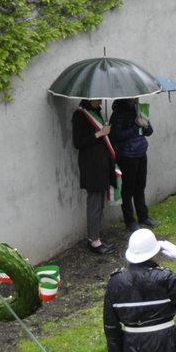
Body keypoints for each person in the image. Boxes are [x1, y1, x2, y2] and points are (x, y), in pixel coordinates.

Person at [72, 98, 118, 255]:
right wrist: (100, 133)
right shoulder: (80, 115)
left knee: (99, 202)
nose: (100, 101)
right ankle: (94, 241)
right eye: (98, 98)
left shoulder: (96, 112)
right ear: (90, 99)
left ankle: (96, 235)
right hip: (91, 167)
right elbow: (78, 142)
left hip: (102, 166)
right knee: (94, 202)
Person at [109, 97, 156, 231]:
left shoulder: (140, 109)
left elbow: (150, 131)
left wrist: (145, 125)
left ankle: (143, 217)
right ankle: (130, 221)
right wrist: (135, 125)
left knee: (140, 186)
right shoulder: (119, 112)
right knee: (128, 189)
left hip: (141, 151)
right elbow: (116, 135)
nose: (136, 97)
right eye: (134, 96)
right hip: (127, 155)